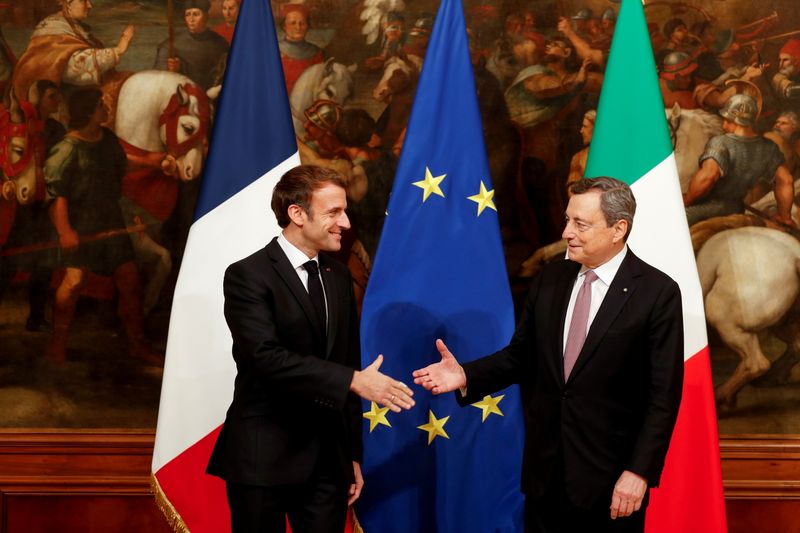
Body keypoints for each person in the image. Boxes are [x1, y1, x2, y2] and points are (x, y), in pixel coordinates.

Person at [413, 177, 684, 533]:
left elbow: (663, 396)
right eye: (568, 220)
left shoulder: (657, 293)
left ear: (618, 229)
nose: (567, 232)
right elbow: (521, 356)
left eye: (581, 224)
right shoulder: (552, 278)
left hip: (611, 483)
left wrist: (638, 472)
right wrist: (466, 374)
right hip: (545, 478)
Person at [206, 165, 414, 532]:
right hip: (263, 456)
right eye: (334, 212)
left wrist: (352, 455)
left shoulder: (339, 277)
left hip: (327, 463)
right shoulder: (248, 275)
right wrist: (352, 380)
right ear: (297, 214)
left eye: (345, 211)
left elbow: (349, 362)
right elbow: (265, 358)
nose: (345, 223)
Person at [43, 87, 156, 363]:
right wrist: (65, 232)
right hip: (79, 224)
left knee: (129, 280)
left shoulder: (106, 139)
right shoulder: (66, 149)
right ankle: (57, 345)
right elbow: (57, 196)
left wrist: (151, 162)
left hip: (110, 219)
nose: (106, 109)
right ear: (89, 112)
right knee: (74, 281)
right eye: (101, 106)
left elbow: (121, 164)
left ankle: (137, 345)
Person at [683, 94, 795, 226]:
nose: (724, 125)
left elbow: (708, 176)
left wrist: (686, 200)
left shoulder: (720, 143)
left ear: (735, 120)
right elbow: (786, 181)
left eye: (727, 120)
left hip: (711, 208)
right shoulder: (769, 148)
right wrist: (785, 217)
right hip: (737, 208)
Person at [10, 0, 135, 104]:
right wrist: (117, 50)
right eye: (83, 1)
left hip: (76, 93)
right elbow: (70, 69)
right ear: (67, 3)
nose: (90, 5)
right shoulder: (52, 30)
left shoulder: (73, 27)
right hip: (59, 104)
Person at [154, 0, 229, 90]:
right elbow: (158, 78)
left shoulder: (220, 44)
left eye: (196, 14)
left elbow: (225, 75)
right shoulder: (169, 45)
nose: (191, 19)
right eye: (188, 14)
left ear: (206, 17)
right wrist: (171, 70)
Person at [278, 4, 325, 96]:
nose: (298, 27)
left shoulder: (316, 53)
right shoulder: (274, 51)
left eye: (302, 23)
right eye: (293, 23)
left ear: (307, 26)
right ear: (284, 26)